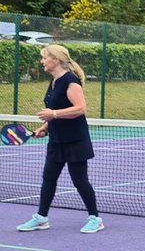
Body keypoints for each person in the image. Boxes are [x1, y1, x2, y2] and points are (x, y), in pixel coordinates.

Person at [17, 45, 103, 234]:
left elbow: (80, 108)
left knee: (80, 181)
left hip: (75, 140)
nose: (42, 61)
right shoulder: (54, 81)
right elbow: (56, 111)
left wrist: (53, 114)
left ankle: (95, 218)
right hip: (57, 140)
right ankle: (41, 218)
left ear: (55, 60)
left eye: (45, 58)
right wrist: (46, 127)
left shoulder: (70, 81)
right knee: (48, 178)